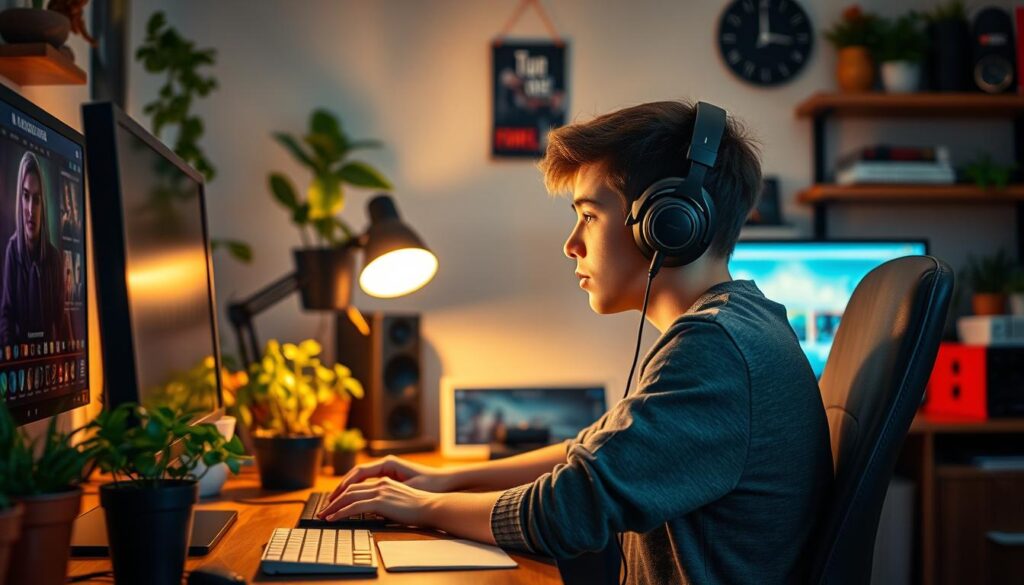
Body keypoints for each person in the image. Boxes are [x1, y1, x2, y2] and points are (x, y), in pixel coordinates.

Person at [319, 101, 833, 584]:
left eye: (589, 215)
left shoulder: (715, 348)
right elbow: (590, 452)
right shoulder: (742, 323)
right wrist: (442, 481)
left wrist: (420, 507)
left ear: (668, 224)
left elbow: (567, 512)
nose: (572, 244)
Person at [0, 151, 69, 346]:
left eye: (37, 199)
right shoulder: (12, 251)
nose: (31, 209)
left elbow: (61, 319)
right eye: (26, 196)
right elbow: (6, 317)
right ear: (19, 199)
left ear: (43, 205)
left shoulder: (54, 258)